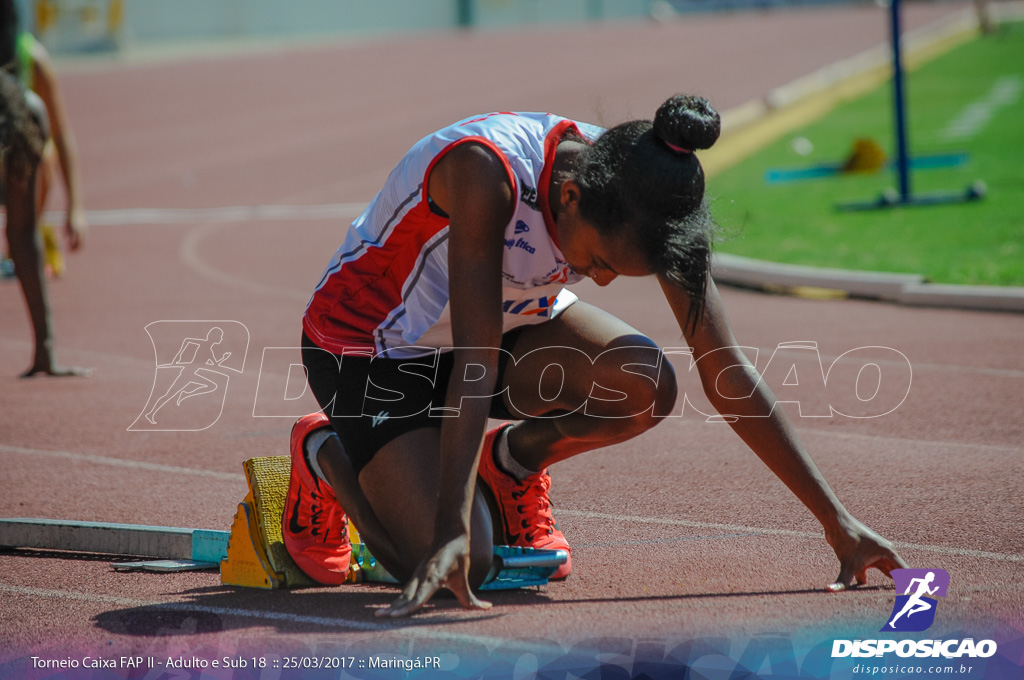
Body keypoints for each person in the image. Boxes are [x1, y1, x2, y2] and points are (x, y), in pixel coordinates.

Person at [283, 94, 908, 617]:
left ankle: (509, 465)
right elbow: (475, 364)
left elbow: (728, 373)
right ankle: (329, 454)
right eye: (601, 263)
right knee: (454, 563)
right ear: (572, 196)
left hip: (501, 328)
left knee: (643, 384)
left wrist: (836, 520)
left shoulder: (653, 196)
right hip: (371, 349)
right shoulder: (484, 172)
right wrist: (447, 527)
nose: (601, 284)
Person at [1, 0, 89, 377]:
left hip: (17, 136)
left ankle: (44, 352)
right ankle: (45, 352)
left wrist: (76, 207)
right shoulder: (25, 100)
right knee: (22, 234)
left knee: (23, 231)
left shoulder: (32, 59)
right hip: (17, 123)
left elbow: (64, 135)